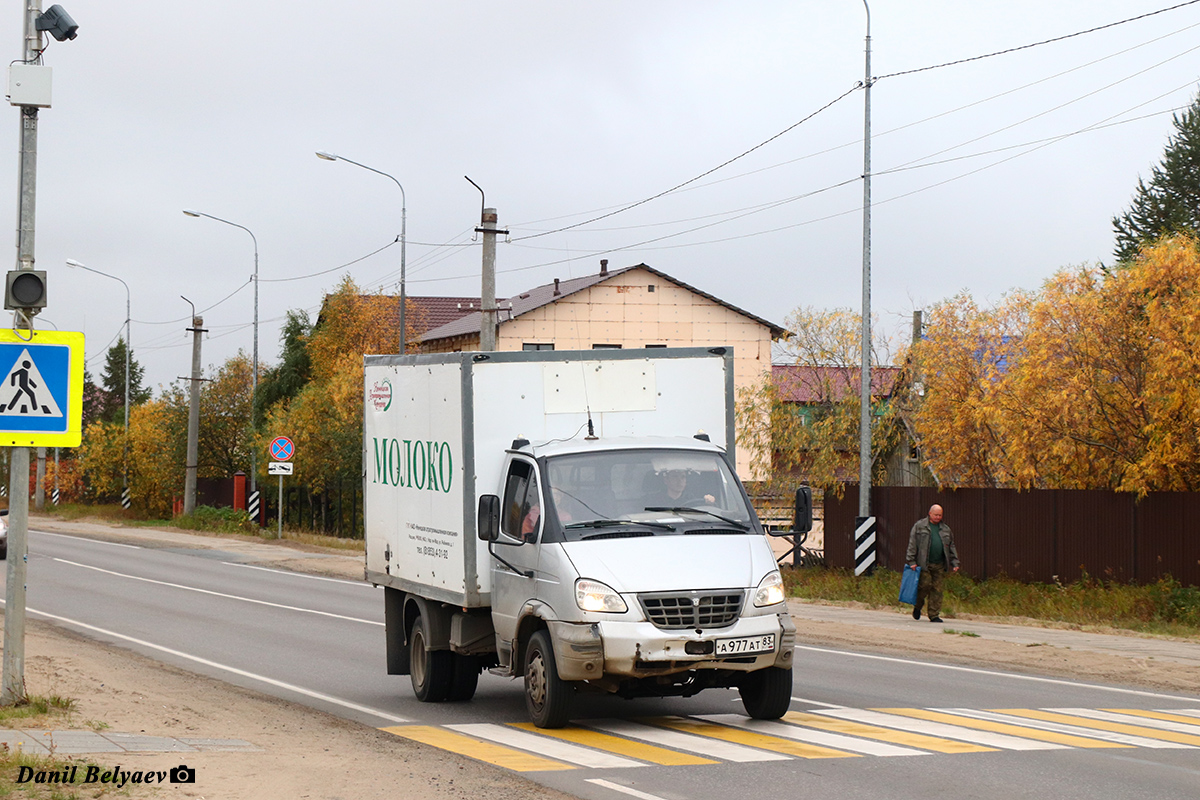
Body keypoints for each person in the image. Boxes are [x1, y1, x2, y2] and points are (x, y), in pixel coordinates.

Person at [905, 504, 959, 623]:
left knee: (937, 590)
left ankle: (934, 615)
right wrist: (911, 561)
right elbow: (912, 543)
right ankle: (918, 606)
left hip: (939, 564)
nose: (938, 517)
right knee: (924, 586)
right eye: (936, 515)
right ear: (930, 514)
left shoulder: (945, 529)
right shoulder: (920, 526)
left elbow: (951, 546)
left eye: (940, 515)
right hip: (923, 564)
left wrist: (955, 562)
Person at [645, 469, 714, 508]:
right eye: (675, 477)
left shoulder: (693, 500)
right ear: (666, 480)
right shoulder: (654, 501)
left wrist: (708, 503)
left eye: (683, 477)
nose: (680, 481)